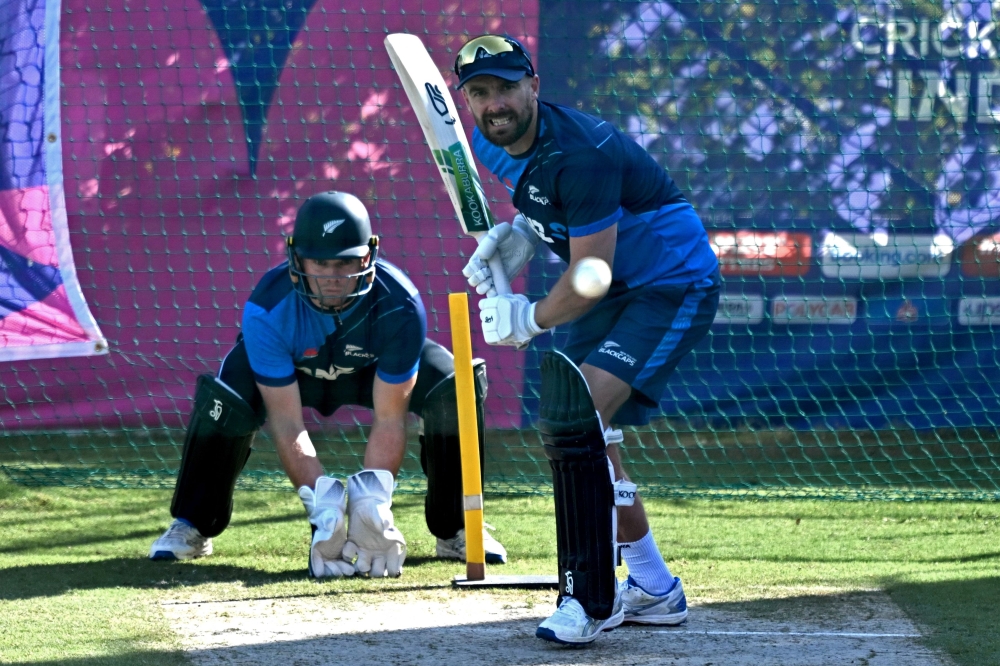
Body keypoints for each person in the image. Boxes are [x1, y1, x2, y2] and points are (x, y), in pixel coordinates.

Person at [455, 35, 720, 644]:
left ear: (534, 87)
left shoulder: (582, 154)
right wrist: (520, 234)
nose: (495, 104)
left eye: (506, 88)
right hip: (619, 281)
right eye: (480, 92)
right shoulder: (487, 146)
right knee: (581, 426)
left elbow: (588, 278)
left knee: (578, 423)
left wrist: (529, 318)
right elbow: (550, 209)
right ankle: (653, 586)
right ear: (468, 101)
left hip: (669, 283)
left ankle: (590, 600)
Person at [149, 190, 506, 578]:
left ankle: (458, 527)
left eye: (345, 262)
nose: (333, 277)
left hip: (370, 376)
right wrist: (324, 504)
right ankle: (194, 524)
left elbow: (390, 419)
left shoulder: (401, 305)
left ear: (368, 256)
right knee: (228, 390)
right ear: (296, 259)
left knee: (456, 387)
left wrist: (372, 500)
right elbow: (287, 424)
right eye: (320, 263)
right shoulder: (266, 309)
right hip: (297, 379)